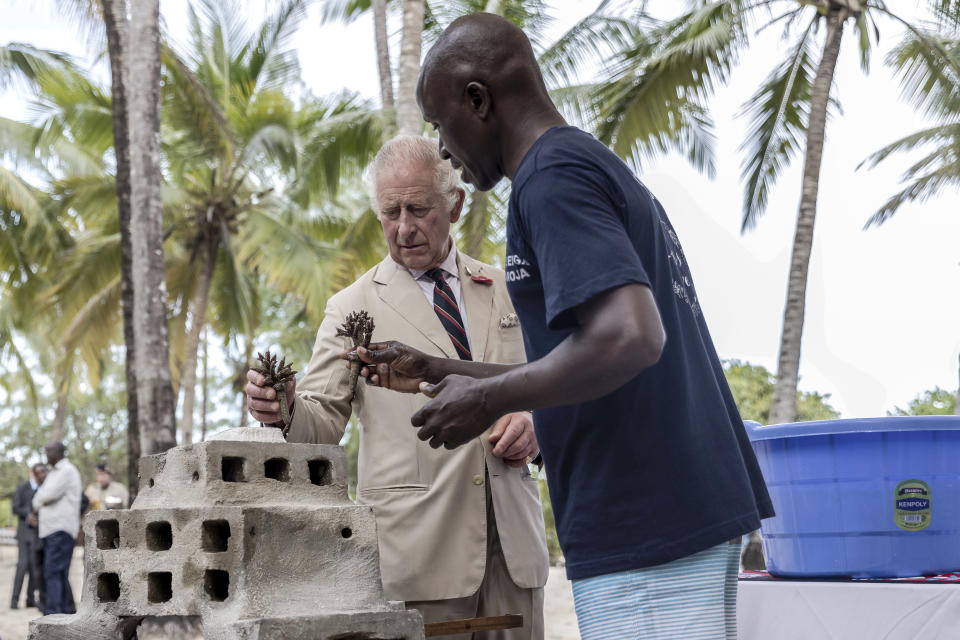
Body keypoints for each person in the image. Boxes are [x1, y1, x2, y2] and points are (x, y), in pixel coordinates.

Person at [352, 14, 774, 640]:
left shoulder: (550, 180)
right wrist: (446, 371)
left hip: (645, 519)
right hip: (678, 507)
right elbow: (592, 355)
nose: (444, 148)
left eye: (442, 125)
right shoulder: (584, 164)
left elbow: (632, 337)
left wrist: (487, 400)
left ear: (479, 99)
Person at [246, 135, 548, 639]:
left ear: (454, 205)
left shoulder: (506, 288)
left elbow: (549, 385)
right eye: (390, 212)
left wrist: (540, 426)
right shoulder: (351, 305)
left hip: (515, 551)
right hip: (417, 556)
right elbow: (321, 422)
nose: (403, 228)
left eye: (418, 208)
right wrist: (285, 409)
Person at [32, 441, 82, 615]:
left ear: (59, 452)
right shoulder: (55, 472)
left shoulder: (66, 471)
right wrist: (39, 499)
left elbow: (45, 495)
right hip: (52, 531)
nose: (46, 456)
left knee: (53, 572)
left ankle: (54, 613)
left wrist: (39, 499)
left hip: (59, 530)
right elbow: (41, 497)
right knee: (58, 573)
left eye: (49, 452)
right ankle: (67, 611)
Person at [10, 463, 46, 610]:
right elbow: (15, 507)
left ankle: (30, 599)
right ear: (31, 473)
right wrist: (28, 514)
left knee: (34, 566)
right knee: (22, 565)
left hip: (39, 533)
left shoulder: (44, 488)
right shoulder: (22, 488)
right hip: (24, 533)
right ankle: (14, 600)